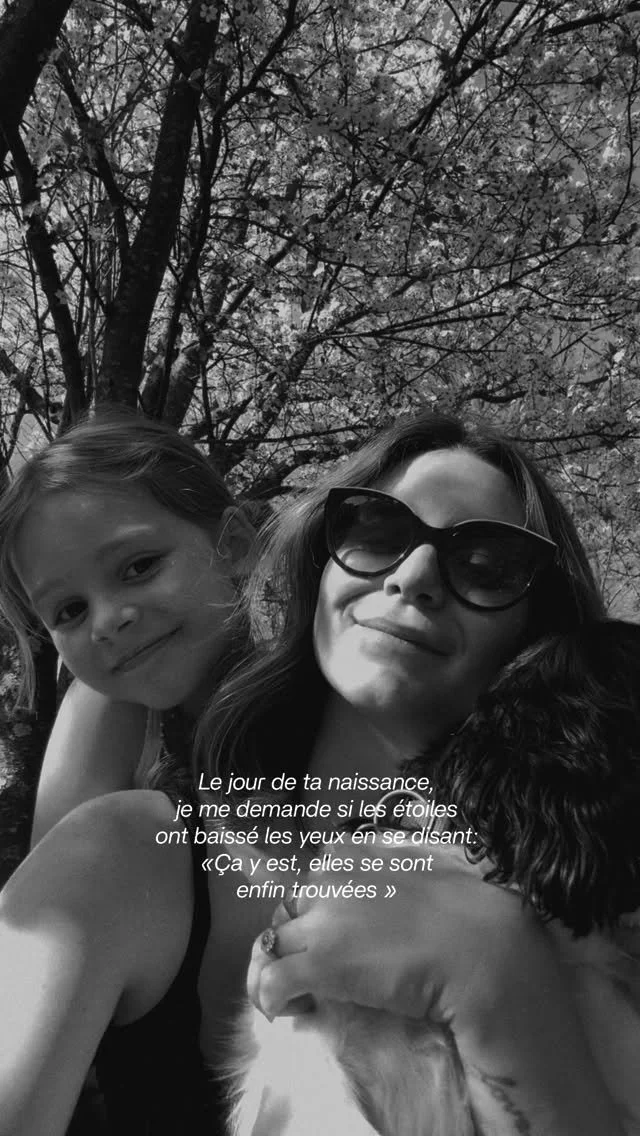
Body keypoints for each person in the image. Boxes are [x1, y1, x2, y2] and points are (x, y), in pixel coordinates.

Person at [0, 411, 625, 1135]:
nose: (414, 576)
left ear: (540, 628)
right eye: (376, 530)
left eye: (486, 563)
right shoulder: (123, 851)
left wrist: (500, 990)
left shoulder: (592, 891)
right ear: (317, 563)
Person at [0, 411, 255, 845]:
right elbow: (65, 872)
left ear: (233, 545)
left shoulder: (331, 670)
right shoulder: (111, 713)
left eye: (139, 567)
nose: (106, 623)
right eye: (71, 610)